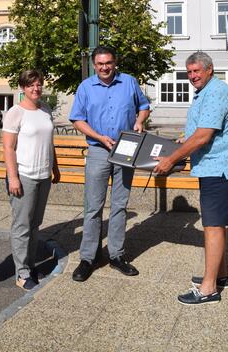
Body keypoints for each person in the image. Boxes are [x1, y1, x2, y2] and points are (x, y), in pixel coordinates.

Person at [154, 51, 228, 305]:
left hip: (221, 168)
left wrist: (171, 159)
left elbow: (203, 136)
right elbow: (200, 131)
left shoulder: (216, 92)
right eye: (189, 72)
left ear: (209, 70)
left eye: (197, 70)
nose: (193, 76)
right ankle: (221, 274)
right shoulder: (207, 92)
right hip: (217, 167)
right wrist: (183, 140)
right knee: (217, 224)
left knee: (213, 226)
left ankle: (208, 289)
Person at [70, 45, 150, 282]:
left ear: (115, 63)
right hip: (97, 151)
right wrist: (97, 136)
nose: (105, 67)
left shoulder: (129, 82)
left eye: (109, 63)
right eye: (100, 64)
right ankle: (88, 258)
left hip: (126, 150)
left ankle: (116, 255)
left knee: (119, 205)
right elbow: (77, 119)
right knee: (93, 207)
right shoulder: (85, 87)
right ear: (95, 65)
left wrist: (139, 121)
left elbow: (144, 106)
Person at [2, 69, 60, 291]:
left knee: (35, 224)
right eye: (31, 85)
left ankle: (30, 263)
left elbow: (49, 142)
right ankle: (22, 272)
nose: (36, 88)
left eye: (39, 84)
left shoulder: (45, 109)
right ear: (23, 87)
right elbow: (8, 147)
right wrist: (13, 177)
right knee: (22, 225)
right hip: (24, 176)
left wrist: (54, 167)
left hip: (43, 175)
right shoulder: (15, 112)